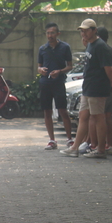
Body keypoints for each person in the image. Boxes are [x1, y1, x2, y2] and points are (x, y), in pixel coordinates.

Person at [60, 19, 112, 159]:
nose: (83, 33)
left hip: (97, 87)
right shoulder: (90, 45)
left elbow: (108, 69)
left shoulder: (100, 46)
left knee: (99, 118)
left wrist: (111, 83)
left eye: (86, 30)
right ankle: (75, 148)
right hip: (88, 87)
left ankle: (100, 150)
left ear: (94, 30)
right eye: (81, 30)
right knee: (83, 116)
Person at [37, 22, 73, 150]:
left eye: (52, 33)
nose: (50, 35)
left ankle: (69, 139)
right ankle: (52, 139)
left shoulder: (65, 47)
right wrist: (40, 70)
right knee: (47, 111)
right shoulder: (43, 49)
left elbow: (70, 66)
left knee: (62, 110)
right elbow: (39, 66)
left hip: (58, 82)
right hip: (45, 83)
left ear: (58, 34)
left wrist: (59, 71)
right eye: (48, 33)